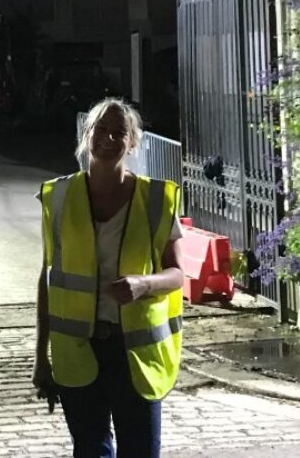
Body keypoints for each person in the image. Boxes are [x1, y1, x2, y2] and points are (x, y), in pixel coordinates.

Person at [33, 97, 185, 458]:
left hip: (134, 352)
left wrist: (143, 284)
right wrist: (41, 356)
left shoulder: (155, 199)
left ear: (132, 143)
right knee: (90, 450)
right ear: (87, 134)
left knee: (141, 451)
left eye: (120, 132)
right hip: (78, 351)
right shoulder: (59, 196)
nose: (109, 138)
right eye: (101, 129)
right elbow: (48, 279)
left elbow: (178, 274)